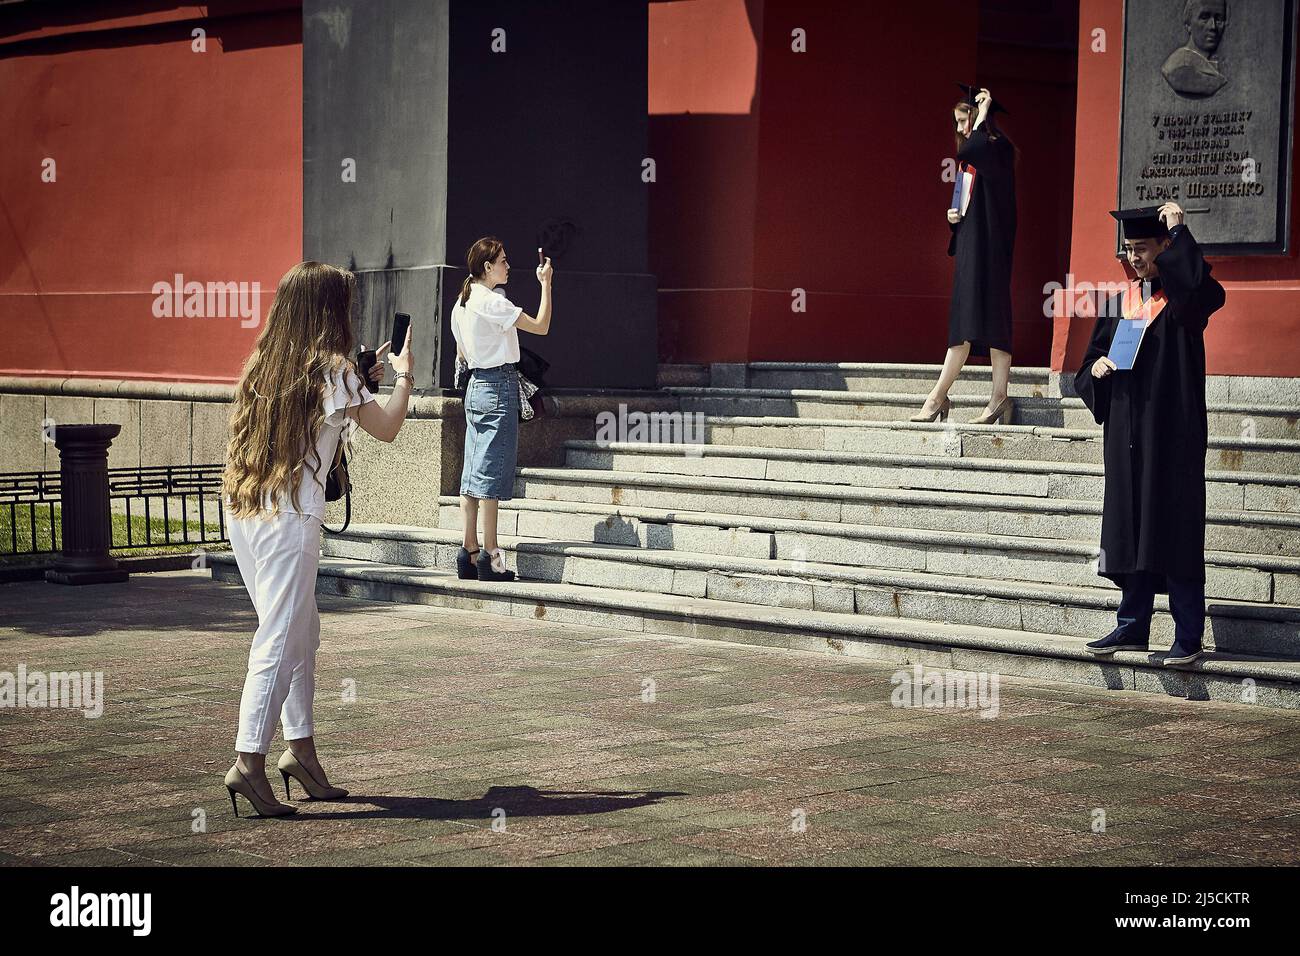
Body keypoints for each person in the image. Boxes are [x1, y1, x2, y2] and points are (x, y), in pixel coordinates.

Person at [221, 261, 414, 817]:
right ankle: (248, 762)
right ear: (330, 309)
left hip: (247, 509)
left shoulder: (268, 362)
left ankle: (299, 749)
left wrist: (362, 375)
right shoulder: (332, 368)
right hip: (290, 520)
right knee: (280, 638)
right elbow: (387, 427)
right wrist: (403, 377)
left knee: (300, 630)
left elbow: (323, 406)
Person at [1075, 203, 1226, 666]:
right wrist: (1095, 370)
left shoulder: (1185, 301)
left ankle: (1188, 635)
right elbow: (1087, 366)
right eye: (1129, 248)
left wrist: (1181, 232)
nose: (1134, 257)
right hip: (1126, 437)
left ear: (1165, 247)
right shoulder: (1120, 301)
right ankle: (1131, 627)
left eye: (1142, 247)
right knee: (1130, 530)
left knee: (1175, 528)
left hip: (1172, 435)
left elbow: (1199, 290)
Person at [911, 86, 1018, 425]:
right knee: (966, 324)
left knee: (991, 320)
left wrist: (984, 116)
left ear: (977, 117)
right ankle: (976, 396)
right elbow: (968, 179)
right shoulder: (973, 161)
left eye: (963, 120)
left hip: (991, 251)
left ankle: (943, 397)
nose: (959, 129)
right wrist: (954, 217)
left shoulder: (996, 149)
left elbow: (970, 148)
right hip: (974, 250)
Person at [451, 237, 553, 582]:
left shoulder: (461, 304)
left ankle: (469, 551)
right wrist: (546, 284)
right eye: (503, 261)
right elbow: (541, 325)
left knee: (473, 469)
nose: (508, 266)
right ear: (487, 267)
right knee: (491, 471)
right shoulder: (492, 302)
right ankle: (491, 556)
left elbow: (462, 355)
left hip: (476, 386)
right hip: (498, 385)